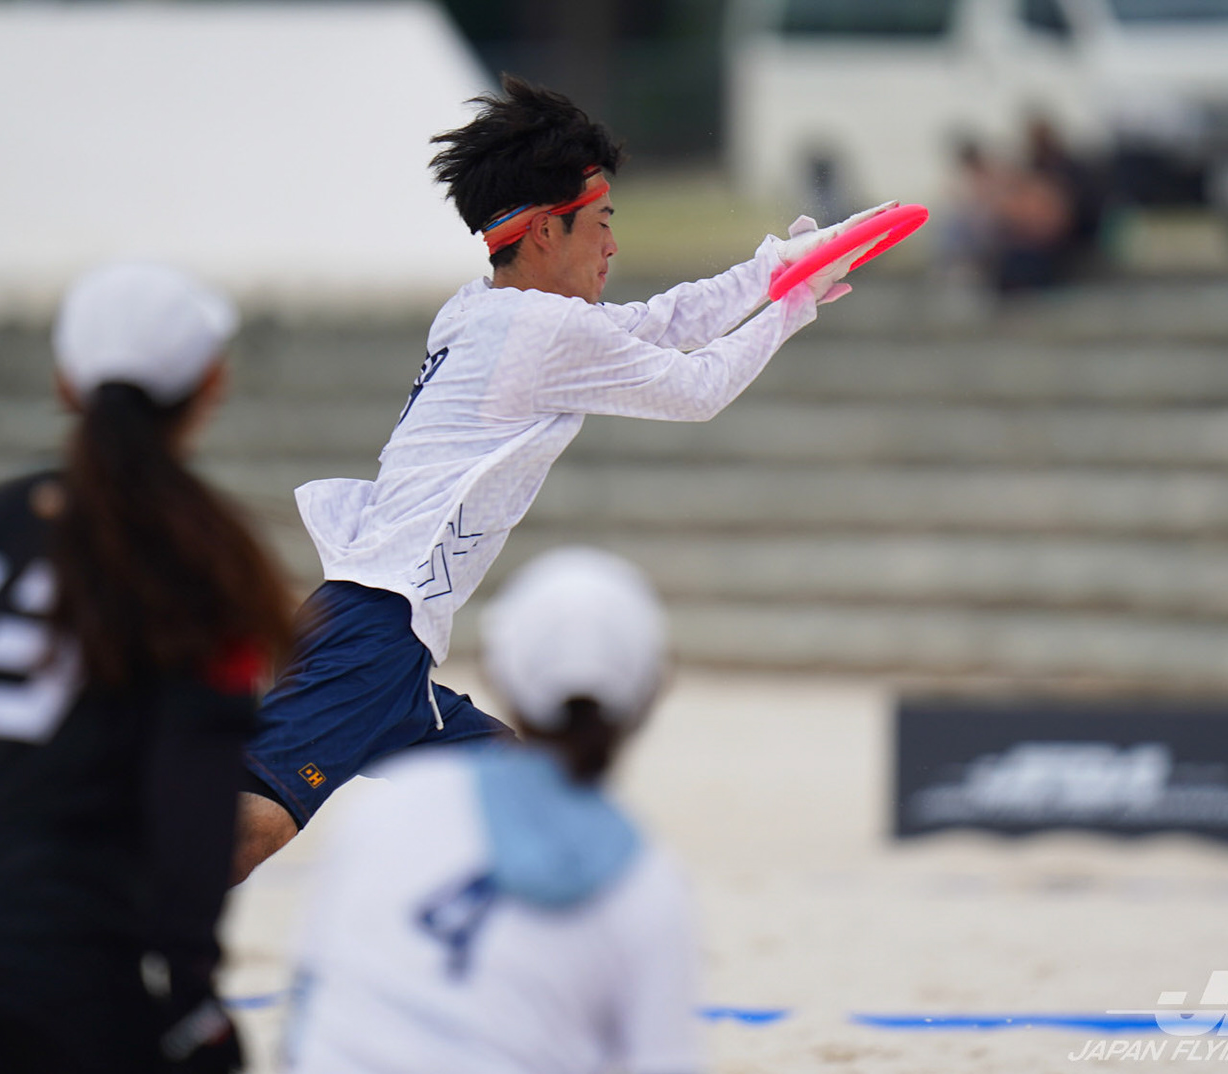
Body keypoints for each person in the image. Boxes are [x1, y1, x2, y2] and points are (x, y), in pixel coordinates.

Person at [234, 75, 884, 878]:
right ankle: (115, 909)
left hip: (385, 632)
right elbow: (696, 388)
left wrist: (776, 265)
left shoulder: (480, 309)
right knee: (253, 826)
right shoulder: (539, 332)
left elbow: (657, 324)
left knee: (527, 796)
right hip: (372, 630)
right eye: (602, 222)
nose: (612, 246)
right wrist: (791, 304)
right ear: (546, 230)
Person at [0, 261, 293, 1074]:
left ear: (65, 383)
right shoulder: (199, 552)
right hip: (55, 942)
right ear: (213, 382)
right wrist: (193, 989)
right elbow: (194, 810)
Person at [282, 546, 699, 1074]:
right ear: (654, 692)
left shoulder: (384, 812)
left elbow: (306, 1024)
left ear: (494, 672)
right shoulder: (645, 883)